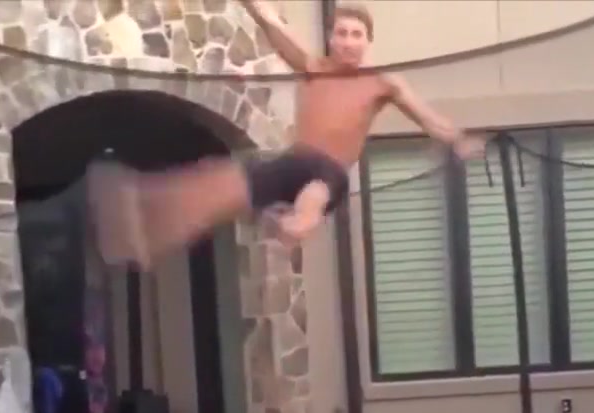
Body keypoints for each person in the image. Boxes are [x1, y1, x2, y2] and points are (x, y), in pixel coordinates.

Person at [88, 1, 485, 270]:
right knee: (214, 187)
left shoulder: (383, 82)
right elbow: (270, 22)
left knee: (309, 206)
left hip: (328, 172)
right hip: (292, 160)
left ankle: (288, 224)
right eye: (342, 33)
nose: (348, 41)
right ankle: (140, 226)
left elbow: (427, 118)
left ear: (368, 41)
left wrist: (457, 139)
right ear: (331, 37)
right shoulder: (312, 65)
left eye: (356, 34)